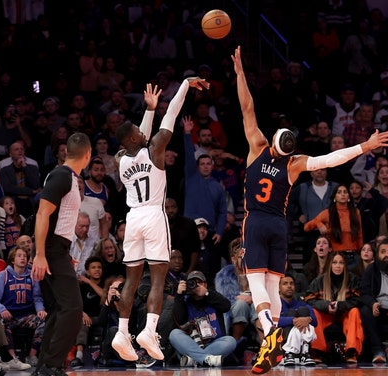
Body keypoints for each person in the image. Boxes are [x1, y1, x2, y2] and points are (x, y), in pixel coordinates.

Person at [232, 45, 388, 375]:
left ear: (273, 140)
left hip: (256, 221)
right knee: (274, 289)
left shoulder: (258, 148)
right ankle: (269, 347)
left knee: (257, 286)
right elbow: (332, 160)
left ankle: (270, 333)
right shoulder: (296, 164)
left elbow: (247, 107)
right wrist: (366, 145)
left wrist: (240, 73)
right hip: (279, 226)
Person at [112, 78, 209, 362]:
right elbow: (173, 114)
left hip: (132, 218)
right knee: (158, 277)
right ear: (133, 138)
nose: (143, 134)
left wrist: (149, 109)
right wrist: (185, 85)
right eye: (137, 133)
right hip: (154, 214)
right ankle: (149, 330)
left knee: (131, 279)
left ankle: (122, 331)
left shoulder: (121, 159)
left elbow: (138, 138)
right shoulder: (155, 148)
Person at [30, 132, 92, 375]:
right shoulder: (62, 176)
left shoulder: (66, 177)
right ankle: (52, 364)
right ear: (87, 155)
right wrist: (41, 254)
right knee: (74, 309)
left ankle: (46, 365)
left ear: (67, 152)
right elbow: (42, 214)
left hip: (58, 250)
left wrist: (65, 253)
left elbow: (60, 218)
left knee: (59, 309)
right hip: (51, 250)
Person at [0, 246, 46, 368]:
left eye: (25, 256)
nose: (23, 258)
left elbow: (37, 298)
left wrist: (40, 310)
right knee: (0, 323)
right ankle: (12, 358)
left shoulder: (32, 276)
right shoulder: (3, 275)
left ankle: (32, 356)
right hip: (9, 315)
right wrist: (2, 309)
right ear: (13, 260)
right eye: (19, 256)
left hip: (26, 316)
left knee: (43, 321)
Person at [304, 253, 364, 363]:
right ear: (330, 265)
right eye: (334, 263)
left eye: (341, 263)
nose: (338, 266)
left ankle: (352, 351)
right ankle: (317, 351)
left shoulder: (353, 279)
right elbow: (308, 299)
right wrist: (326, 306)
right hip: (326, 314)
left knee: (355, 311)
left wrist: (340, 306)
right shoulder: (319, 281)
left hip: (344, 313)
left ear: (345, 265)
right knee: (314, 312)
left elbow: (359, 299)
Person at [170, 271, 236, 367]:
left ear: (205, 284)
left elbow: (226, 306)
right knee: (174, 334)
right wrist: (179, 295)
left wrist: (207, 293)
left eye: (199, 282)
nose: (196, 286)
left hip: (214, 344)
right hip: (191, 345)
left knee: (230, 341)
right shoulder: (184, 300)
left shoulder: (212, 295)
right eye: (192, 283)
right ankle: (205, 359)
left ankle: (194, 359)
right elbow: (180, 319)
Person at [304, 184, 363, 269]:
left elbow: (359, 234)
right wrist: (319, 224)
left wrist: (360, 252)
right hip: (336, 257)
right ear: (335, 197)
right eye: (339, 192)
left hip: (354, 256)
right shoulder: (328, 213)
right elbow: (306, 227)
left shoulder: (355, 212)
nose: (342, 194)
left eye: (345, 192)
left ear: (349, 197)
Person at [277, 274, 317, 367]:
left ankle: (305, 353)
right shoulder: (275, 303)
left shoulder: (301, 303)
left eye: (291, 283)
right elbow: (273, 321)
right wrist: (294, 320)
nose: (289, 286)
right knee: (291, 313)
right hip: (280, 342)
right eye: (285, 284)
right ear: (278, 288)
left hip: (301, 342)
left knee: (304, 311)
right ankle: (288, 353)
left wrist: (308, 319)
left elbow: (315, 321)